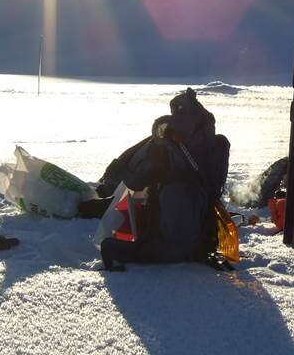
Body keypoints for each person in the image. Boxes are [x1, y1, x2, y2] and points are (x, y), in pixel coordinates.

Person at [89, 88, 231, 270]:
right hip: (203, 234)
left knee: (158, 240)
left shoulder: (168, 146)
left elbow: (134, 182)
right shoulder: (214, 144)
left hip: (173, 236)